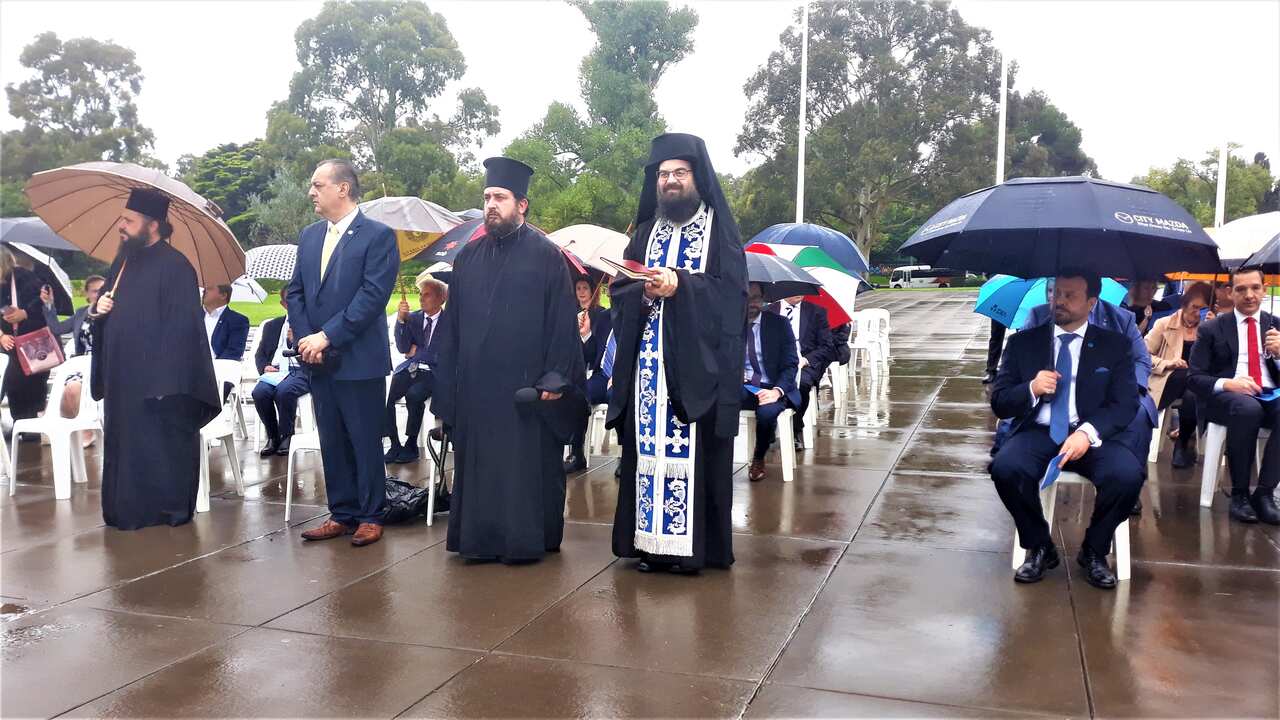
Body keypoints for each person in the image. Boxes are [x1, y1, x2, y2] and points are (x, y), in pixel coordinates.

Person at [430, 157, 587, 564]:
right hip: (479, 393)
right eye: (486, 197)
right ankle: (479, 542)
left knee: (525, 471)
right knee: (480, 470)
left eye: (499, 197)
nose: (491, 205)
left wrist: (554, 379)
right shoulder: (468, 258)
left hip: (526, 392)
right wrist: (445, 390)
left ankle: (525, 541)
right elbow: (453, 328)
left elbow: (561, 325)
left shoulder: (547, 256)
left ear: (522, 205)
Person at [607, 133, 747, 574]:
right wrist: (643, 293)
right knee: (647, 456)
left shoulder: (719, 231)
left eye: (679, 174)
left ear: (697, 178)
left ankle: (691, 553)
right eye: (663, 175)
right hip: (648, 370)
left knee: (695, 456)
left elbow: (732, 298)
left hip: (695, 372)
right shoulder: (646, 232)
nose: (670, 181)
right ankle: (648, 546)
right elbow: (620, 289)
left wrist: (681, 285)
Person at [989, 271, 1142, 590]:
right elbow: (1001, 402)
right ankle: (1040, 545)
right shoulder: (1023, 344)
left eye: (1070, 295)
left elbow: (1125, 404)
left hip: (1094, 435)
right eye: (1056, 293)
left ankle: (1095, 550)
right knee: (1005, 468)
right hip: (1040, 431)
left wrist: (1087, 432)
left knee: (1127, 477)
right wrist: (1030, 387)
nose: (1058, 301)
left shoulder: (1115, 346)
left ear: (1091, 302)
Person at [90, 188, 221, 530]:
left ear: (153, 225)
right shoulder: (123, 262)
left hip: (158, 384)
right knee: (126, 445)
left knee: (159, 447)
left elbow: (184, 331)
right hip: (123, 378)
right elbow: (109, 311)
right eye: (123, 218)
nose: (121, 225)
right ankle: (125, 511)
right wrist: (98, 310)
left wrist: (167, 384)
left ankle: (165, 510)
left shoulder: (177, 267)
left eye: (128, 220)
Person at [286, 159, 399, 547]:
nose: (311, 192)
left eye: (318, 185)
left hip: (358, 359)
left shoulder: (377, 236)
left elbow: (371, 296)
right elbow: (296, 292)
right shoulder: (309, 236)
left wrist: (327, 336)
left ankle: (371, 514)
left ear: (343, 189)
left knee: (364, 438)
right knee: (331, 438)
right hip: (316, 359)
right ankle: (342, 512)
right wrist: (307, 340)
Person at [1188, 266, 1280, 525]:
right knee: (1247, 409)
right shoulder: (1212, 328)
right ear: (1230, 292)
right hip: (1227, 398)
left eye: (1255, 288)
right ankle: (1239, 494)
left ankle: (1264, 493)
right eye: (1241, 289)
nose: (1249, 295)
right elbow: (1194, 377)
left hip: (1270, 392)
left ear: (1264, 290)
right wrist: (1228, 383)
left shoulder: (1276, 326)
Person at [1145, 282, 1212, 468]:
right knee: (1186, 376)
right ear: (1184, 304)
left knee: (1194, 392)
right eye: (1194, 307)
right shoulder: (1164, 324)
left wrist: (1213, 330)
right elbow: (1142, 355)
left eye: (1203, 308)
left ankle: (1182, 444)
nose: (1197, 313)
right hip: (1167, 382)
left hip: (1196, 386)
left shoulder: (1209, 327)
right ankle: (1182, 444)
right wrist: (1168, 363)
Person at [385, 271, 446, 464]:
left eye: (426, 294)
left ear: (441, 298)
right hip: (410, 369)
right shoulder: (415, 319)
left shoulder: (450, 322)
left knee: (414, 395)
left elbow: (443, 355)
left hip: (433, 374)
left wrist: (418, 351)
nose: (421, 299)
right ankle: (394, 443)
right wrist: (402, 321)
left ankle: (411, 444)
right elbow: (403, 347)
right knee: (386, 395)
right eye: (420, 294)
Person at [743, 283, 800, 482]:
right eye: (747, 298)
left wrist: (777, 391)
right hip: (742, 386)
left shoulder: (779, 324)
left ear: (763, 299)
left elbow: (791, 364)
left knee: (767, 413)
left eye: (756, 298)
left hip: (772, 386)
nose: (752, 304)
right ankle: (716, 460)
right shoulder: (729, 325)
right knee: (717, 403)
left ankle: (759, 456)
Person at [251, 288, 309, 458]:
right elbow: (260, 354)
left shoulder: (310, 325)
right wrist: (264, 367)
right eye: (291, 301)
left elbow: (312, 356)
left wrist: (295, 341)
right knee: (259, 392)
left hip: (300, 370)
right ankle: (273, 436)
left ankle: (286, 435)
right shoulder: (272, 325)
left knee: (285, 391)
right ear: (283, 304)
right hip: (275, 370)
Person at [50, 275, 106, 448]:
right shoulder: (82, 313)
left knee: (74, 389)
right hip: (81, 363)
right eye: (95, 291)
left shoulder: (112, 312)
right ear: (87, 294)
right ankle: (72, 430)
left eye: (103, 290)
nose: (99, 294)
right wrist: (49, 305)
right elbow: (56, 328)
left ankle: (87, 430)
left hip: (102, 365)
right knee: (66, 392)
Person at [564, 275, 612, 473]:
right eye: (610, 287)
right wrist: (585, 334)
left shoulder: (635, 313)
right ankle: (577, 453)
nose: (582, 292)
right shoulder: (604, 317)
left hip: (623, 375)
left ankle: (627, 458)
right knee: (578, 395)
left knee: (619, 396)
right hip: (601, 374)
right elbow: (592, 355)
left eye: (585, 288)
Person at [771, 294, 833, 449]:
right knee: (761, 383)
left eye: (801, 288)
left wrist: (805, 360)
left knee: (802, 384)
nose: (799, 292)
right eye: (794, 287)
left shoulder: (816, 312)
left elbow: (827, 346)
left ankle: (795, 428)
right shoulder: (769, 312)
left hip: (804, 364)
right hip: (775, 364)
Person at [0, 247, 52, 427]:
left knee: (34, 381)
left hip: (31, 339)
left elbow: (41, 302)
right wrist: (1, 336)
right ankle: (19, 423)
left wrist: (24, 313)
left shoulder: (24, 277)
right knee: (13, 382)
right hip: (7, 342)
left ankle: (33, 423)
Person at [202, 284, 249, 361]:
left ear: (223, 295)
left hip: (220, 369)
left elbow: (233, 352)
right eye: (204, 288)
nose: (204, 291)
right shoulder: (192, 316)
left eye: (209, 289)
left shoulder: (237, 320)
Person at [983, 318, 1006, 384]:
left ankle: (1022, 369)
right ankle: (991, 370)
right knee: (996, 336)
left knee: (1022, 336)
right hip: (1003, 309)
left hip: (1023, 309)